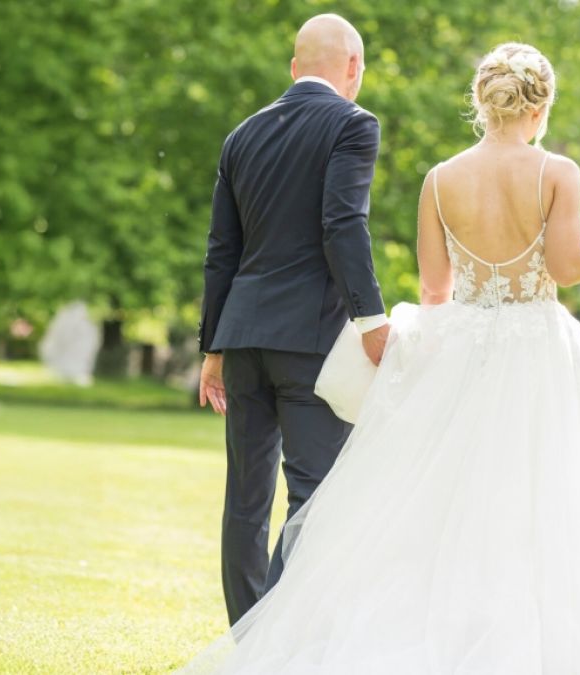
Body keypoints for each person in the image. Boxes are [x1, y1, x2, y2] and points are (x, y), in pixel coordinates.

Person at [184, 42, 580, 673]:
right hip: (537, 355)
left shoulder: (440, 180)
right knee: (538, 497)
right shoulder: (557, 172)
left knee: (445, 500)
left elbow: (435, 290)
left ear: (481, 101)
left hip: (461, 348)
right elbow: (568, 267)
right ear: (541, 104)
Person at [195, 14, 390, 626]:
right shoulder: (354, 125)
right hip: (308, 340)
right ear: (353, 68)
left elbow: (221, 250)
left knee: (245, 502)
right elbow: (342, 226)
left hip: (242, 335)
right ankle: (276, 637)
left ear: (293, 67)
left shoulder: (241, 135)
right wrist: (371, 321)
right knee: (315, 496)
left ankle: (248, 641)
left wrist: (212, 347)